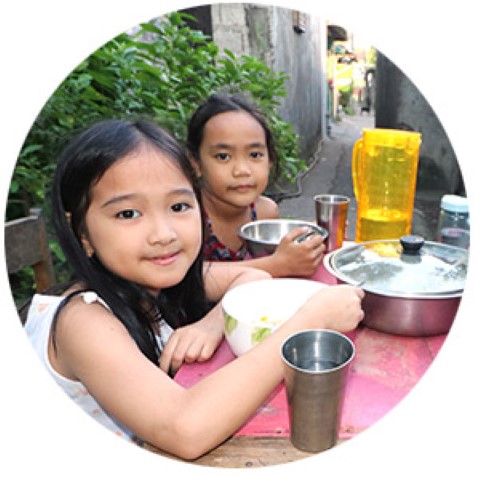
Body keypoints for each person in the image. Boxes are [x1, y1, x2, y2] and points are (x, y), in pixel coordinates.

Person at [24, 118, 364, 460]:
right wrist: (311, 321)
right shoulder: (82, 322)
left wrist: (212, 323)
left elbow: (252, 279)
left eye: (178, 206)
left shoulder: (157, 280)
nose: (164, 233)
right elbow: (185, 429)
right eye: (128, 213)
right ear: (81, 232)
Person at [187, 93, 326, 277]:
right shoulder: (188, 218)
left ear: (269, 160)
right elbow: (186, 281)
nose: (242, 170)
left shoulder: (264, 213)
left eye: (254, 155)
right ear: (195, 164)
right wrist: (277, 264)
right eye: (223, 156)